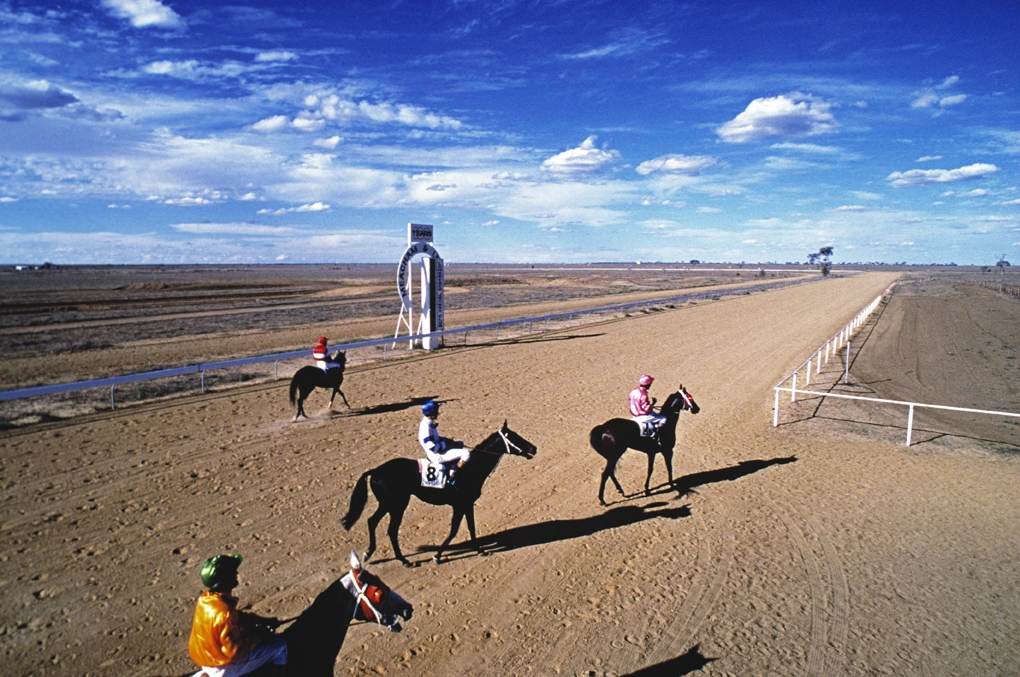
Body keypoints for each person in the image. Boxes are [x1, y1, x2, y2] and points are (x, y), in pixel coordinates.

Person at [188, 554, 287, 677]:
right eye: (232, 572)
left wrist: (263, 621)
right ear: (225, 580)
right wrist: (260, 637)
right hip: (223, 666)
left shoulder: (206, 598)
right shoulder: (224, 613)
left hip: (207, 659)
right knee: (280, 646)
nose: (236, 573)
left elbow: (238, 617)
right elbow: (235, 651)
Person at [418, 400, 470, 483]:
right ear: (433, 412)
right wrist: (445, 443)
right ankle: (454, 475)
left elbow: (435, 438)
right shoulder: (426, 426)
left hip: (438, 450)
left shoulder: (428, 422)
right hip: (436, 455)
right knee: (466, 453)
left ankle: (452, 466)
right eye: (437, 410)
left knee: (460, 443)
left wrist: (448, 440)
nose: (438, 412)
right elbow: (433, 447)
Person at [629, 374, 666, 443]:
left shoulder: (633, 391)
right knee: (663, 418)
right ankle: (656, 435)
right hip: (643, 416)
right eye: (650, 384)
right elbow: (646, 409)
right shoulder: (643, 394)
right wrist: (652, 404)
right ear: (647, 384)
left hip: (634, 415)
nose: (650, 385)